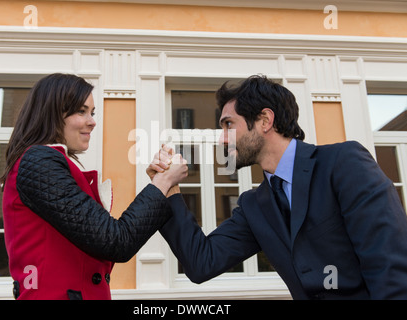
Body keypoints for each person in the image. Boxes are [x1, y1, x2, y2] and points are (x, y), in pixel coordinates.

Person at [149, 75, 407, 299]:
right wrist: (168, 189)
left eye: (228, 124)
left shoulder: (342, 163)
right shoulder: (254, 205)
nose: (222, 138)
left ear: (264, 120)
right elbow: (200, 263)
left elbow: (390, 265)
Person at [0, 73, 188, 300]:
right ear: (52, 113)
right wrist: (163, 182)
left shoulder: (45, 163)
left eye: (92, 112)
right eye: (81, 111)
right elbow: (116, 241)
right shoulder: (39, 162)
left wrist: (160, 182)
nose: (92, 121)